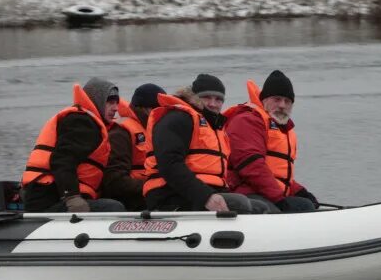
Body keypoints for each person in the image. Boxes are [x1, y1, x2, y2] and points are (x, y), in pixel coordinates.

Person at [142, 74, 267, 213]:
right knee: (241, 203)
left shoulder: (215, 128)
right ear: (195, 97)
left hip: (205, 192)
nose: (213, 104)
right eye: (207, 97)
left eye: (218, 99)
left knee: (259, 206)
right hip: (170, 194)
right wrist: (206, 197)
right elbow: (169, 165)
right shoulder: (177, 118)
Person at [21, 78, 126, 213]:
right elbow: (62, 160)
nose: (116, 108)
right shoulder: (82, 122)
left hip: (55, 197)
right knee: (114, 208)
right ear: (98, 101)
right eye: (110, 102)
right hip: (48, 201)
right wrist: (72, 197)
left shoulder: (89, 122)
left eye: (117, 102)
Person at [224, 70, 319, 213]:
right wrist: (278, 198)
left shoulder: (283, 130)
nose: (282, 105)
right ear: (264, 100)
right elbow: (252, 167)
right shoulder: (247, 121)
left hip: (270, 193)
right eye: (277, 99)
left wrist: (299, 191)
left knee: (305, 204)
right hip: (246, 192)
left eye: (287, 101)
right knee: (276, 211)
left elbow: (278, 173)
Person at [100, 83, 166, 211]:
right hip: (132, 200)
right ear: (144, 109)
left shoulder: (153, 131)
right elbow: (114, 182)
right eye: (159, 110)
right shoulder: (121, 132)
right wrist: (155, 186)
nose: (163, 115)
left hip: (150, 194)